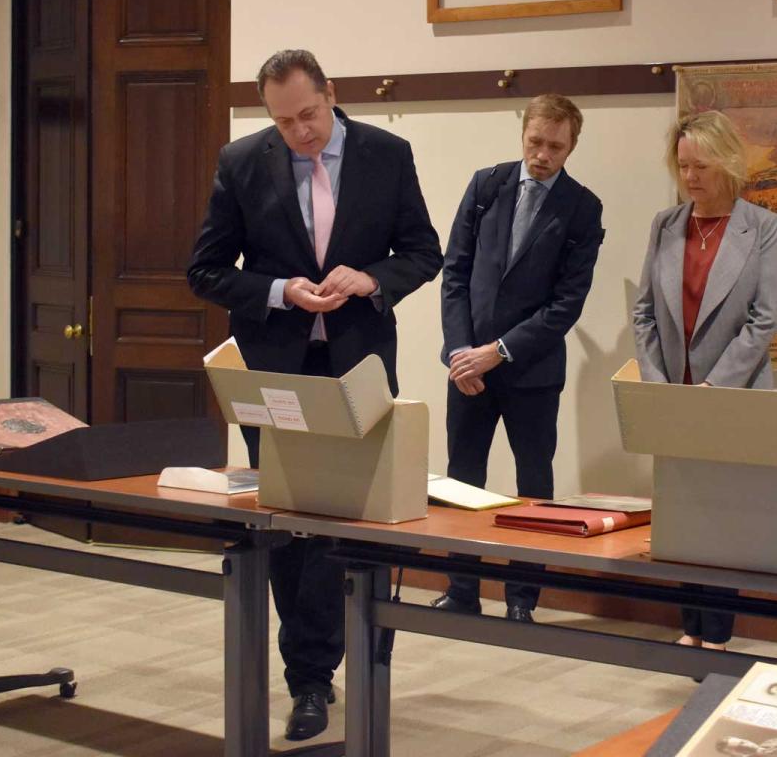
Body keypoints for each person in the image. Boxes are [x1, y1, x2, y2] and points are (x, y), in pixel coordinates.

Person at [187, 49, 442, 740]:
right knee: (285, 523)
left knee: (340, 520)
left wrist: (370, 280)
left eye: (309, 114)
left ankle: (321, 664)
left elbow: (424, 251)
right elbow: (205, 270)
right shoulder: (243, 162)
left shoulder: (387, 154)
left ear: (331, 92)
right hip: (275, 368)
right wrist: (278, 291)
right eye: (284, 121)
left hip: (355, 365)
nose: (301, 132)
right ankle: (307, 676)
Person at [433, 93, 604, 622]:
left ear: (571, 145)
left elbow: (565, 305)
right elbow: (455, 273)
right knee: (462, 477)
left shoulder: (582, 207)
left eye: (555, 146)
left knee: (534, 484)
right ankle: (462, 588)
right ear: (523, 133)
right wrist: (462, 352)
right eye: (536, 141)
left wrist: (498, 352)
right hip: (468, 370)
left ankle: (522, 597)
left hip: (530, 371)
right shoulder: (487, 186)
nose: (543, 155)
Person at [632, 110, 777, 650]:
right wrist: (659, 384)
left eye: (701, 166)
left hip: (732, 397)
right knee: (683, 515)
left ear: (726, 164)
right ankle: (688, 626)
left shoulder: (761, 226)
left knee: (725, 519)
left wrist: (714, 389)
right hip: (674, 395)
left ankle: (716, 631)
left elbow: (764, 319)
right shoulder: (665, 225)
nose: (690, 177)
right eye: (682, 166)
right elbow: (644, 312)